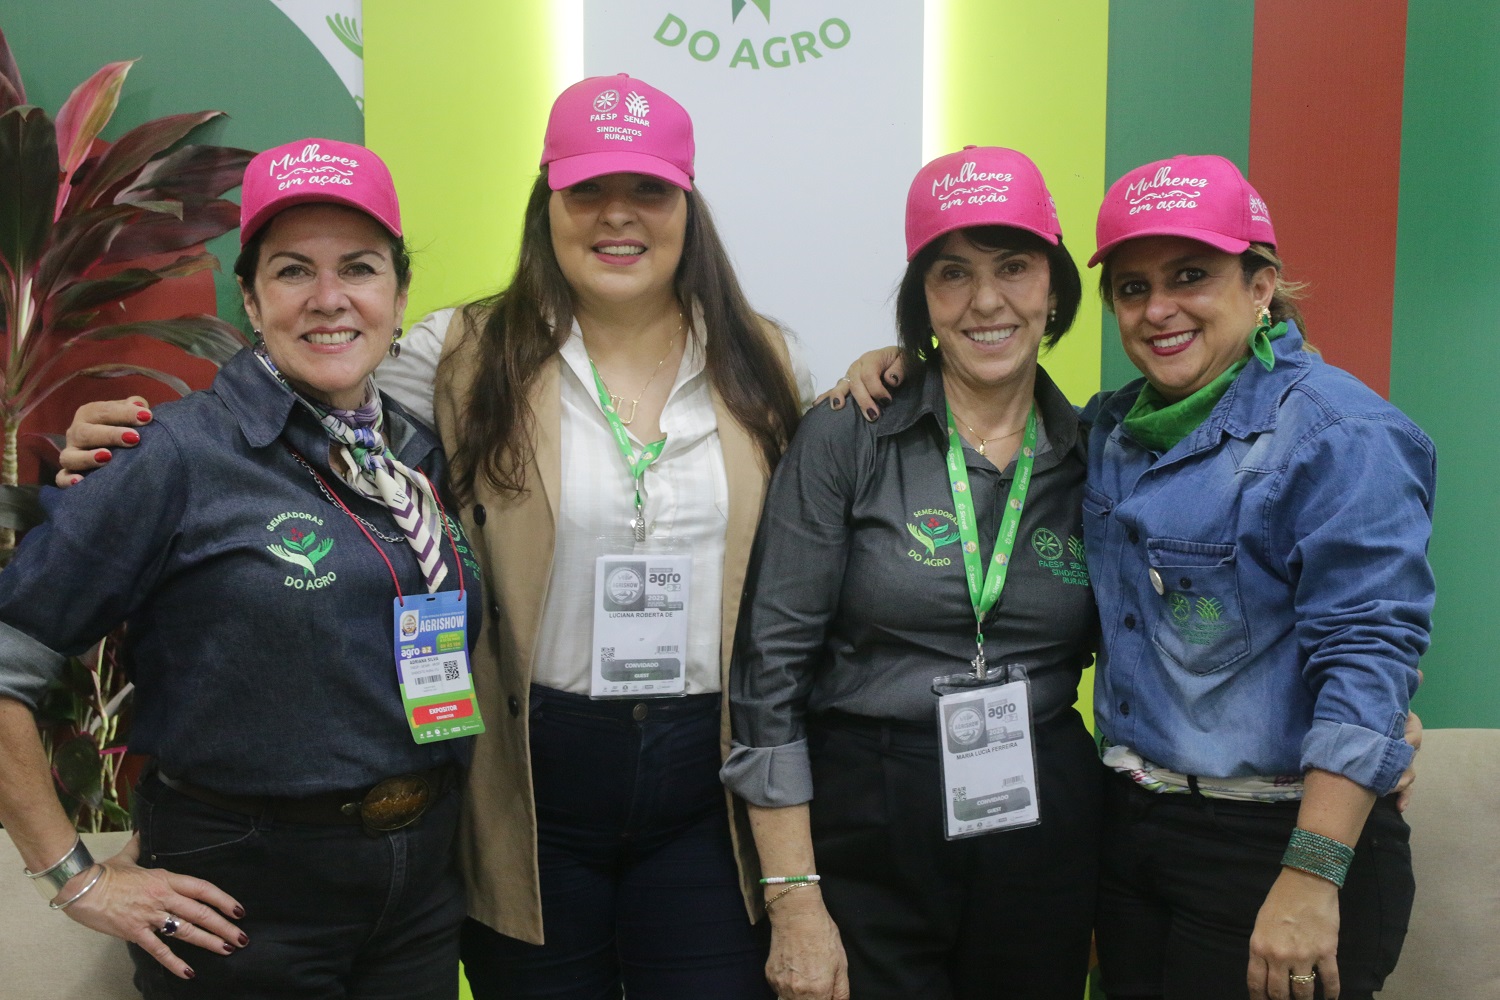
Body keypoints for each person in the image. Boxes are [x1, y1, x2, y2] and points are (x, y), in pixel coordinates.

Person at [0, 137, 481, 999]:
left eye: (360, 268)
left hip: (418, 889)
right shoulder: (171, 455)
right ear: (252, 301)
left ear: (399, 295)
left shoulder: (416, 456)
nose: (329, 298)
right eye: (294, 271)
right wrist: (74, 878)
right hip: (243, 897)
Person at [722, 146, 1104, 1000]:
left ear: (1054, 287)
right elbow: (770, 672)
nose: (986, 301)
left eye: (1014, 267)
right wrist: (793, 898)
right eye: (953, 273)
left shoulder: (1096, 453)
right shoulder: (849, 433)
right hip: (870, 806)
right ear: (921, 299)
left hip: (1043, 807)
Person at [1079, 154, 1429, 1000]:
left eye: (1190, 276)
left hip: (1274, 846)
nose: (1157, 309)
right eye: (1132, 288)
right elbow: (988, 417)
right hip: (1134, 830)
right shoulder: (1113, 429)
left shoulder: (1341, 434)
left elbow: (1369, 659)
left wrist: (1312, 873)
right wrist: (895, 365)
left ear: (1262, 285)